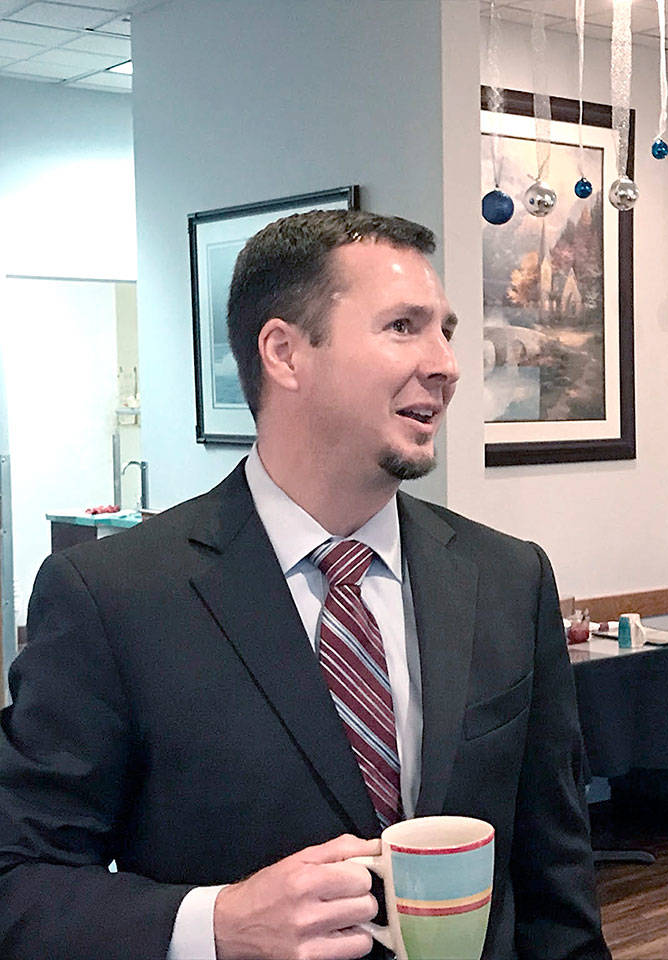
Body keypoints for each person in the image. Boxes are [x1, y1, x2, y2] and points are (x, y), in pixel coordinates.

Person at [0, 209, 611, 960]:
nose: (448, 364)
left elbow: (556, 886)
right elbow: (20, 879)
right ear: (285, 353)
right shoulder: (113, 597)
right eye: (403, 326)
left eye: (446, 331)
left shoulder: (509, 579)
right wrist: (217, 923)